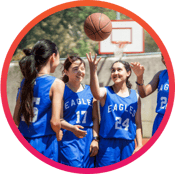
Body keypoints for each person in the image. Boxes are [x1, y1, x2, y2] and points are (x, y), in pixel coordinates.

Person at [86, 53, 143, 167]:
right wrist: (93, 70)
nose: (115, 73)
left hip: (128, 144)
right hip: (108, 144)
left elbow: (138, 123)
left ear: (128, 73)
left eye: (119, 70)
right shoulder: (106, 92)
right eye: (113, 70)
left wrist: (140, 145)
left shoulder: (135, 97)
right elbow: (96, 93)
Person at [13, 39, 65, 162]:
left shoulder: (25, 81)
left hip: (23, 139)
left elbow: (15, 119)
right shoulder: (56, 83)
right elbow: (55, 122)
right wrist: (58, 132)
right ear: (53, 57)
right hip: (44, 142)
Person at [59, 55, 99, 168]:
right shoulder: (61, 90)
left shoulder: (91, 91)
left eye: (82, 68)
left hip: (88, 139)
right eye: (75, 69)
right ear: (66, 71)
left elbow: (95, 118)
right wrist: (72, 128)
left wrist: (95, 139)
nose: (80, 72)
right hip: (69, 139)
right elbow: (58, 119)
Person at [130, 54, 169, 136]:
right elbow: (143, 93)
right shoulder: (161, 75)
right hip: (161, 119)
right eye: (162, 57)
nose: (164, 60)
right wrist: (139, 76)